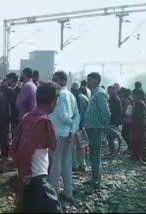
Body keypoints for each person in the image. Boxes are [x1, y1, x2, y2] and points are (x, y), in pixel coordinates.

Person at [9, 82, 62, 213]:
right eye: (56, 101)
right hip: (37, 178)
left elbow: (17, 145)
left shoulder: (28, 116)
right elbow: (26, 149)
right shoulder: (42, 122)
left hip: (28, 177)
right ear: (52, 102)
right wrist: (27, 173)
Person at [49, 71, 80, 203]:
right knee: (67, 163)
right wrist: (72, 131)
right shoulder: (72, 95)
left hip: (58, 133)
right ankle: (68, 193)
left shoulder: (59, 95)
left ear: (62, 80)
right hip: (68, 134)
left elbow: (63, 115)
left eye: (55, 79)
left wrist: (69, 123)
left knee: (55, 163)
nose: (53, 81)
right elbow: (77, 116)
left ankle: (53, 193)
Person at [84, 72, 110, 190]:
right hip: (92, 128)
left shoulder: (99, 94)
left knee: (95, 155)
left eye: (89, 80)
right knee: (93, 154)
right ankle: (94, 177)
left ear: (95, 81)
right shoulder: (95, 93)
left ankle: (96, 180)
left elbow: (105, 112)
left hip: (96, 129)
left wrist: (104, 125)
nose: (87, 82)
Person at [71, 81, 89, 173]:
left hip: (73, 126)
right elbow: (87, 111)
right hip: (81, 126)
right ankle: (82, 164)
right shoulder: (84, 98)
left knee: (73, 146)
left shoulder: (70, 97)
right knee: (81, 146)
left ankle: (75, 165)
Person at [131, 89, 146, 162]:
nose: (133, 97)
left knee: (140, 142)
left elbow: (139, 116)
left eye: (134, 95)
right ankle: (136, 156)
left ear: (138, 95)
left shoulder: (140, 104)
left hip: (139, 125)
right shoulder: (140, 103)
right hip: (139, 125)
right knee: (137, 141)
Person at [107, 86, 123, 155]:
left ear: (114, 91)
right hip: (112, 119)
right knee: (110, 136)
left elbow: (119, 111)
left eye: (110, 90)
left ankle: (112, 152)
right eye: (108, 90)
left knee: (110, 137)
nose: (109, 92)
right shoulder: (111, 98)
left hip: (114, 120)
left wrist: (117, 121)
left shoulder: (115, 99)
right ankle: (112, 150)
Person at [6, 73, 21, 137]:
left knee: (15, 133)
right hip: (7, 115)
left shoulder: (19, 90)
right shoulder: (7, 90)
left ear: (12, 80)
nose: (7, 81)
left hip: (15, 115)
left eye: (8, 79)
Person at [119, 88, 133, 152]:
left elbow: (127, 110)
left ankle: (130, 148)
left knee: (125, 134)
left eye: (122, 92)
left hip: (127, 120)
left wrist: (123, 114)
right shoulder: (128, 99)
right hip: (128, 120)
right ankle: (130, 148)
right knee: (126, 134)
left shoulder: (127, 100)